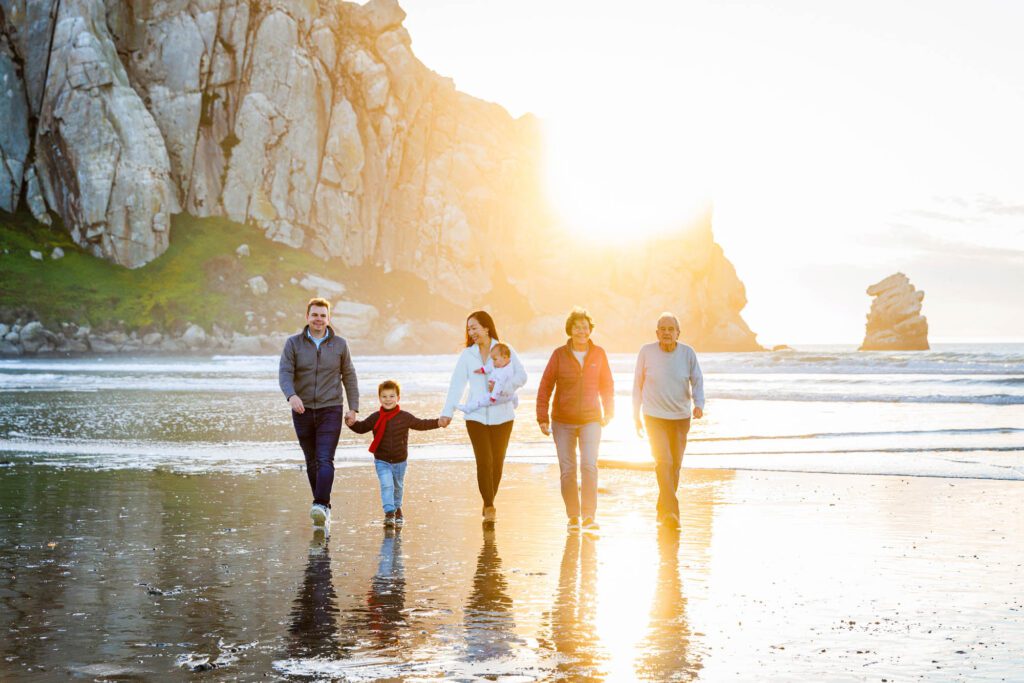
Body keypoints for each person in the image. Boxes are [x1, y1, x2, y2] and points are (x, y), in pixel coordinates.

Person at [279, 297, 359, 535]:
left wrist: (353, 408)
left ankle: (320, 504)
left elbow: (350, 376)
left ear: (328, 318)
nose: (318, 319)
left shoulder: (340, 345)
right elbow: (284, 373)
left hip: (330, 409)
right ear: (307, 317)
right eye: (314, 314)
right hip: (301, 410)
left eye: (323, 315)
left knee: (325, 459)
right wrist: (291, 395)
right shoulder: (293, 344)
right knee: (311, 461)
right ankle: (324, 506)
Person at [440, 311, 527, 524]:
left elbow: (521, 376)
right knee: (484, 461)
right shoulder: (467, 356)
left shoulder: (505, 350)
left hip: (504, 416)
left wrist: (503, 387)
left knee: (497, 463)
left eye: (474, 327)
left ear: (486, 327)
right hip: (475, 416)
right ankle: (489, 505)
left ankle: (489, 501)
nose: (471, 332)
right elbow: (457, 384)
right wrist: (447, 412)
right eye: (469, 329)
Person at [536, 307, 614, 532]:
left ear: (590, 330)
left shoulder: (598, 353)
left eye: (585, 327)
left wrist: (609, 410)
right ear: (570, 330)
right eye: (577, 327)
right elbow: (546, 385)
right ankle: (573, 516)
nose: (582, 331)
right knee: (568, 469)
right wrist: (542, 417)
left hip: (591, 419)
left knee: (589, 466)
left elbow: (607, 384)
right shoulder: (559, 354)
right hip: (562, 421)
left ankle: (589, 516)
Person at [632, 312, 704, 530]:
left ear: (678, 333)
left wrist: (699, 404)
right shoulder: (646, 352)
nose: (666, 333)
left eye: (671, 329)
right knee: (664, 461)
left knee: (675, 466)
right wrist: (635, 415)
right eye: (662, 329)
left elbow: (697, 380)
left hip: (681, 417)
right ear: (656, 333)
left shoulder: (688, 353)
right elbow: (637, 384)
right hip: (653, 416)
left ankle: (662, 509)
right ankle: (672, 512)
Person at [348, 380, 444, 527]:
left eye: (392, 396)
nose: (388, 400)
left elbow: (421, 424)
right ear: (379, 398)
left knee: (397, 487)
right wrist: (351, 423)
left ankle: (398, 508)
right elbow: (362, 427)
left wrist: (438, 423)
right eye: (384, 396)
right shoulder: (375, 417)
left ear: (398, 398)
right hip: (382, 460)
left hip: (400, 461)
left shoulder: (404, 417)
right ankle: (389, 513)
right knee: (387, 485)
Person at [457, 342, 520, 413]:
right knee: (510, 395)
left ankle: (468, 408)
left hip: (499, 394)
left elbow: (499, 385)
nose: (493, 362)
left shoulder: (505, 372)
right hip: (504, 393)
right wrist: (482, 370)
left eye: (495, 359)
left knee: (482, 400)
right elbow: (490, 367)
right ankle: (513, 396)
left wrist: (493, 397)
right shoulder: (501, 363)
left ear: (505, 357)